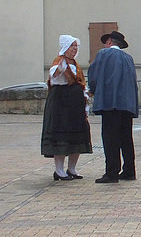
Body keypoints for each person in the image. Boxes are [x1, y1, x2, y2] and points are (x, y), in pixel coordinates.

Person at [88, 31, 138, 183]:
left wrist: (93, 90)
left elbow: (94, 75)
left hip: (110, 102)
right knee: (126, 137)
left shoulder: (103, 54)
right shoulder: (128, 58)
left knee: (110, 138)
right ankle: (129, 170)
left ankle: (112, 172)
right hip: (127, 104)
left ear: (109, 41)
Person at [41, 35, 92, 181]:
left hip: (75, 102)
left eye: (76, 46)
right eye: (72, 46)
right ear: (65, 47)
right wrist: (61, 69)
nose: (75, 49)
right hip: (61, 102)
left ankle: (72, 169)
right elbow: (54, 74)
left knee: (77, 133)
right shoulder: (59, 61)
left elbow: (81, 83)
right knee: (61, 134)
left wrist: (85, 97)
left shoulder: (76, 64)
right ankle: (59, 170)